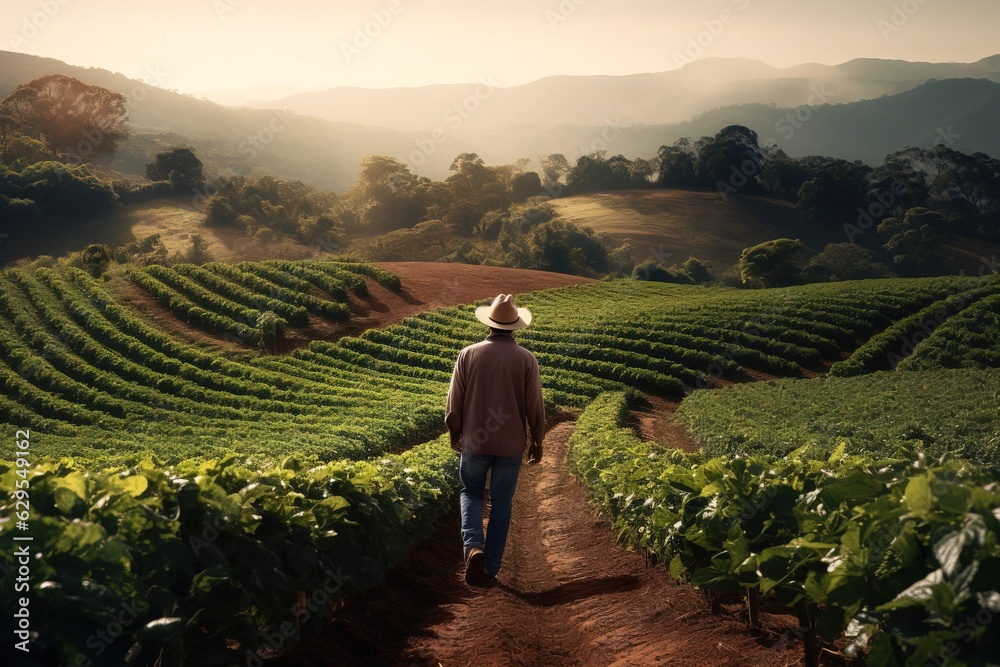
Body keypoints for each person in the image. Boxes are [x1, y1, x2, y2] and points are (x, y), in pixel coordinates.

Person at [445, 293, 545, 587]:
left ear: (488, 323)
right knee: (502, 503)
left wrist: (455, 433)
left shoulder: (468, 354)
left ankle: (473, 547)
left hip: (475, 441)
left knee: (471, 493)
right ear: (515, 326)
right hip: (510, 444)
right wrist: (537, 440)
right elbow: (534, 405)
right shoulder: (527, 359)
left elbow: (454, 404)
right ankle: (490, 568)